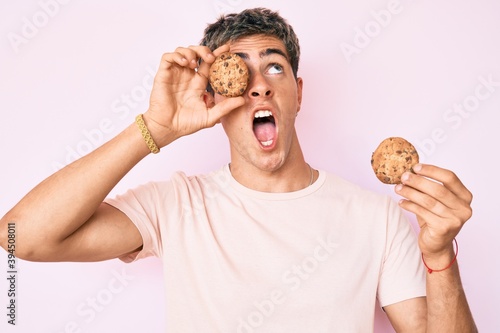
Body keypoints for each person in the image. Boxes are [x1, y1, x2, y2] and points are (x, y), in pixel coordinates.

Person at [0, 7, 477, 332]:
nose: (257, 86)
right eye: (238, 70)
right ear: (214, 99)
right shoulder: (176, 205)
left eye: (274, 67)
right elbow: (20, 236)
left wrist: (439, 255)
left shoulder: (378, 218)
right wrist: (154, 128)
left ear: (297, 92)